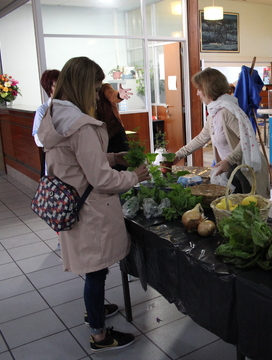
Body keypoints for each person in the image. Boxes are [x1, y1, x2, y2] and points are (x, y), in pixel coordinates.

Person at [37, 56, 150, 353]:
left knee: (91, 268)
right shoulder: (82, 125)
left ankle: (94, 309)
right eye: (96, 86)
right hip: (90, 209)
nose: (98, 93)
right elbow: (101, 180)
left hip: (73, 200)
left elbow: (78, 162)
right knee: (97, 270)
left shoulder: (55, 114)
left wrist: (113, 158)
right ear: (84, 85)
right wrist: (132, 176)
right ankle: (99, 335)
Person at [174, 67, 270, 198]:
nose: (197, 94)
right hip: (233, 168)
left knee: (248, 210)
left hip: (246, 169)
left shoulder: (227, 111)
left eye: (199, 89)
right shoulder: (214, 113)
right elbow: (202, 138)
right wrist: (178, 155)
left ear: (209, 89)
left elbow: (247, 139)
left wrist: (228, 161)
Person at [96, 83, 133, 171]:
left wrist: (119, 95)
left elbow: (112, 94)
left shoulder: (103, 87)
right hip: (97, 135)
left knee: (123, 161)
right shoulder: (80, 92)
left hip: (114, 132)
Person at [32, 69, 60, 176]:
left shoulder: (70, 108)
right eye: (56, 85)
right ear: (49, 88)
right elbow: (39, 141)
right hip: (53, 159)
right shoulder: (42, 111)